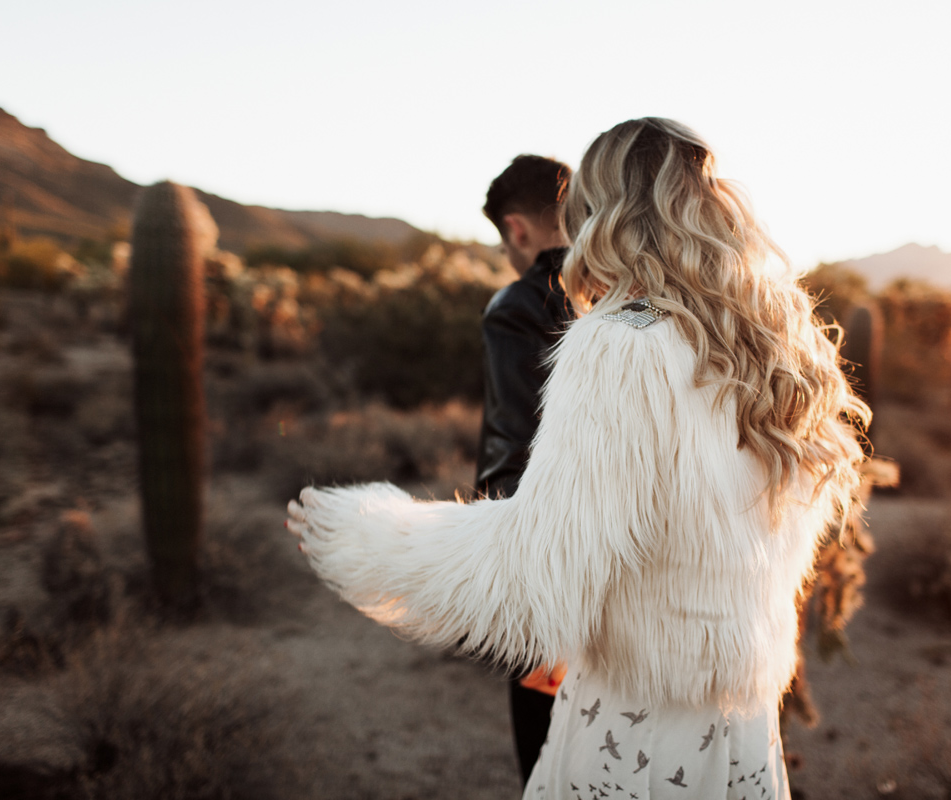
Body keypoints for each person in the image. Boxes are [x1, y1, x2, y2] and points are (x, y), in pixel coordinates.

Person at [288, 117, 867, 799]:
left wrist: (361, 530)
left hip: (639, 721)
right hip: (739, 722)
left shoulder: (621, 345)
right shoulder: (776, 346)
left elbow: (539, 566)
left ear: (600, 215)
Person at [477, 154, 575, 786]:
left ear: (518, 230)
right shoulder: (643, 291)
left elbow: (513, 458)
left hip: (555, 578)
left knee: (550, 765)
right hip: (652, 575)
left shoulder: (519, 306)